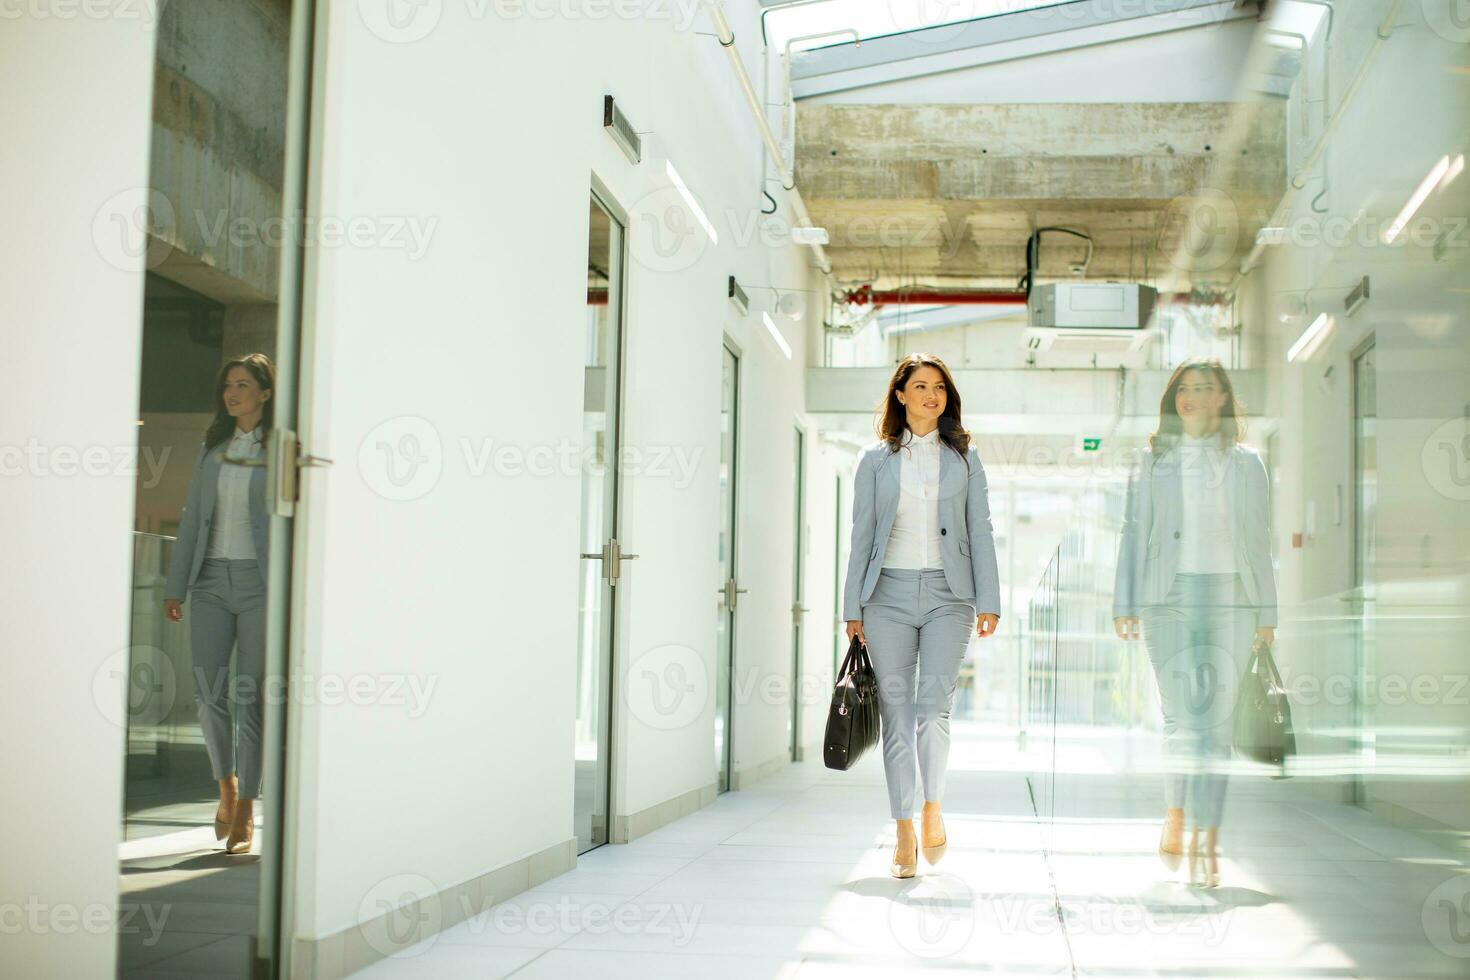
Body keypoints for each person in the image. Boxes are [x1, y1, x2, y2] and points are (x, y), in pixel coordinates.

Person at [1112, 357, 1277, 887]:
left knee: (1219, 723)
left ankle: (1207, 838)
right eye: (1183, 388)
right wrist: (1125, 602)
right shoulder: (1154, 460)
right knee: (1183, 715)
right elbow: (1133, 532)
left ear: (1223, 399)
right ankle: (1176, 812)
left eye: (1203, 388)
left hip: (1234, 598)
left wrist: (1267, 613)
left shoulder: (1248, 464)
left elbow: (1260, 543)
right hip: (1169, 597)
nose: (1190, 396)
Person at [842, 353, 1002, 879]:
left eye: (939, 387)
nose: (931, 394)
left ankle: (933, 805)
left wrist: (989, 599)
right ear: (901, 395)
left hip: (948, 596)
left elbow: (980, 529)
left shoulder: (964, 459)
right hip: (884, 595)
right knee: (897, 713)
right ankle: (903, 828)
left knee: (932, 709)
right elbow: (861, 537)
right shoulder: (875, 461)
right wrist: (852, 607)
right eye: (920, 386)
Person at [163, 353, 275, 855]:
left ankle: (248, 806)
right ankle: (225, 786)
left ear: (265, 393)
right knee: (210, 693)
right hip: (208, 581)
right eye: (228, 385)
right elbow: (191, 521)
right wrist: (175, 585)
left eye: (243, 384)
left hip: (258, 584)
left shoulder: (278, 450)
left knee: (249, 697)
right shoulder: (213, 448)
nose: (232, 393)